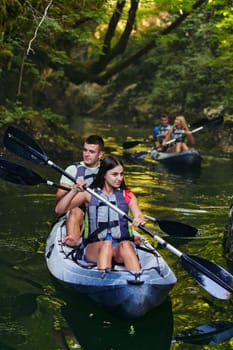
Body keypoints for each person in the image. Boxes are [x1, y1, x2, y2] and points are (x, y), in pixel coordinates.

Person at [55, 155, 146, 272]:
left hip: (118, 247)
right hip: (94, 247)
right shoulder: (89, 194)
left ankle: (137, 280)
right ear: (104, 174)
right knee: (106, 245)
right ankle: (103, 279)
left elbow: (139, 215)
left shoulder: (127, 195)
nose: (119, 178)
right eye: (115, 174)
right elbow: (59, 210)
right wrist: (74, 190)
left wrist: (139, 219)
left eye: (121, 174)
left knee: (126, 245)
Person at [56, 135, 104, 247]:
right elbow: (59, 199)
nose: (87, 154)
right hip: (77, 210)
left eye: (91, 151)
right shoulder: (72, 170)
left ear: (100, 154)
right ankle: (73, 243)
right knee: (75, 212)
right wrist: (74, 189)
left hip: (100, 211)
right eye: (85, 150)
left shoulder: (106, 170)